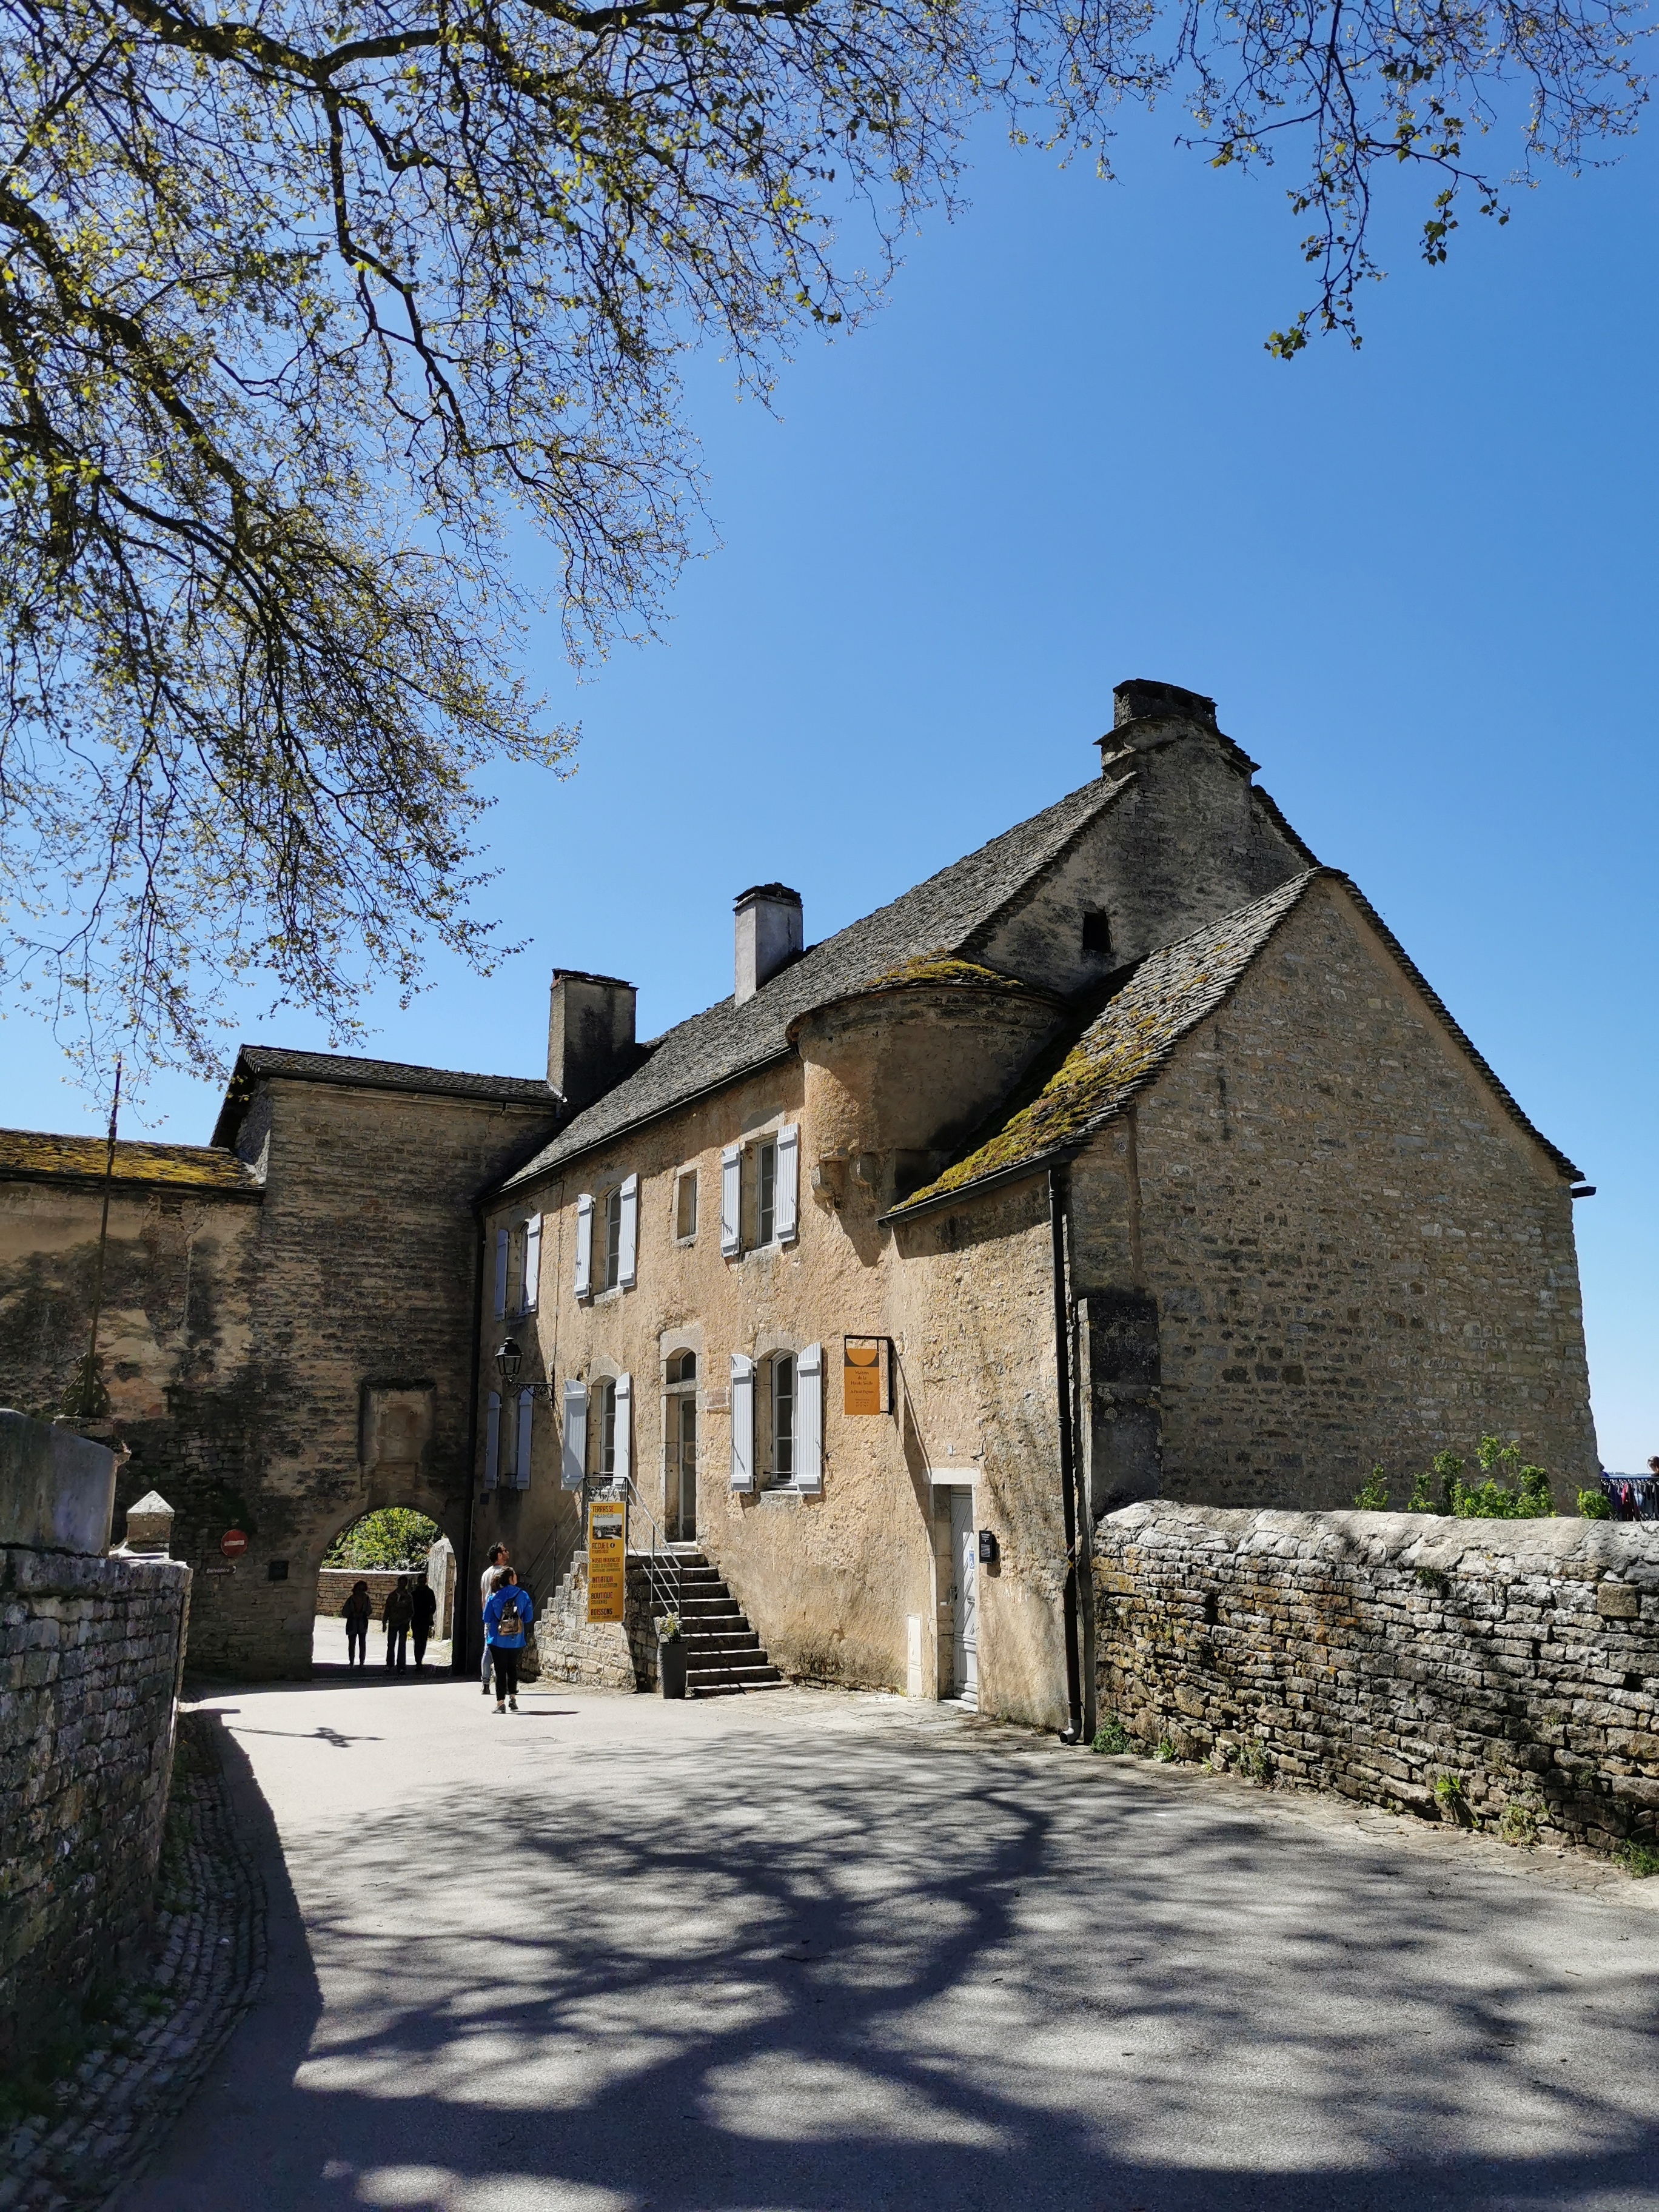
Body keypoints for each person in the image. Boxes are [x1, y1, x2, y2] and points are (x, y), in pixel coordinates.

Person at [482, 1567, 534, 1714]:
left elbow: (486, 1618)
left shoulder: (493, 1597)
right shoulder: (523, 1595)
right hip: (516, 1639)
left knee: (500, 1670)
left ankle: (500, 1703)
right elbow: (528, 1617)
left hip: (497, 1639)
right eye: (515, 1575)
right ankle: (512, 1698)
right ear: (511, 1579)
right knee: (512, 1668)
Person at [480, 1543, 510, 1694]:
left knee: (488, 1648)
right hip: (503, 1617)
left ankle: (485, 1682)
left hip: (490, 1617)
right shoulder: (505, 1573)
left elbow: (483, 1597)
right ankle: (502, 1682)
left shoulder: (485, 1574)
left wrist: (486, 1615)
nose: (507, 1552)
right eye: (504, 1551)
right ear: (499, 1555)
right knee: (504, 1650)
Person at [383, 1573, 415, 1672]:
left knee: (402, 1644)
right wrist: (384, 1622)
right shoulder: (392, 1595)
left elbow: (411, 1611)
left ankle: (401, 1666)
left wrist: (407, 1620)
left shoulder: (408, 1597)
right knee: (391, 1644)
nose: (401, 1585)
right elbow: (387, 1609)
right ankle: (389, 1664)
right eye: (400, 1583)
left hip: (403, 1623)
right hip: (393, 1622)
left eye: (403, 1583)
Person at [411, 1572, 438, 1669]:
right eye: (420, 1581)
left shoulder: (429, 1592)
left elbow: (433, 1606)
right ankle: (418, 1660)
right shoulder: (414, 1593)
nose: (422, 1583)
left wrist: (430, 1614)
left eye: (423, 1581)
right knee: (417, 1640)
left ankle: (420, 1658)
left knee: (423, 1641)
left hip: (425, 1620)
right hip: (416, 1619)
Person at [343, 1579, 371, 1669]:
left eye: (363, 1590)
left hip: (362, 1623)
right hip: (352, 1623)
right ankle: (351, 1662)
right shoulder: (351, 1599)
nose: (361, 1592)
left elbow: (370, 1610)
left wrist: (364, 1614)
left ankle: (362, 1662)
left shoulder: (367, 1599)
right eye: (359, 1589)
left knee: (362, 1643)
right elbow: (344, 1612)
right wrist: (352, 1614)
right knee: (352, 1644)